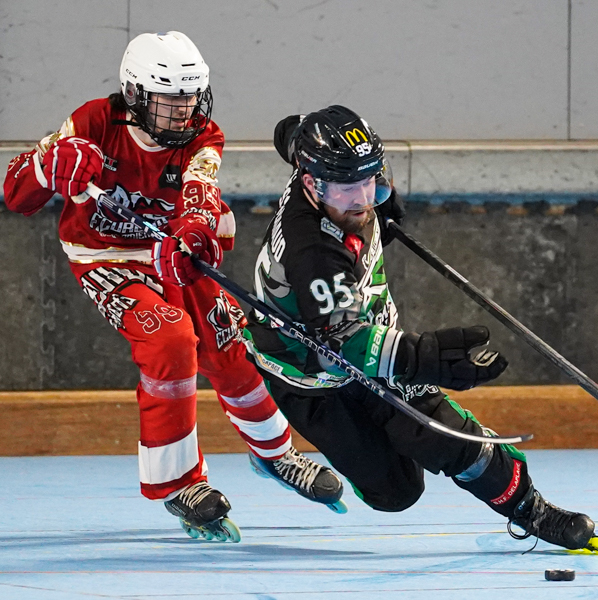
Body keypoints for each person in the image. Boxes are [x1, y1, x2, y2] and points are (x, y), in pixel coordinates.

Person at [2, 31, 343, 542]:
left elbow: (201, 191)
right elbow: (15, 194)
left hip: (172, 254)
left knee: (230, 345)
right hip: (107, 258)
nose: (185, 112)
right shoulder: (92, 121)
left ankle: (277, 455)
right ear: (136, 95)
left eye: (192, 97)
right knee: (169, 340)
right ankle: (179, 484)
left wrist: (196, 230)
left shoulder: (205, 135)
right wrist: (49, 165)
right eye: (171, 100)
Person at [242, 105, 598, 553]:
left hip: (367, 342)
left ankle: (530, 509)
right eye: (347, 189)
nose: (363, 198)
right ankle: (273, 452)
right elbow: (342, 346)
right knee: (395, 493)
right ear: (310, 183)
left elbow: (289, 131)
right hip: (308, 376)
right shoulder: (314, 253)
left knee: (441, 438)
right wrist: (428, 359)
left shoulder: (327, 170)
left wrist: (369, 194)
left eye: (371, 179)